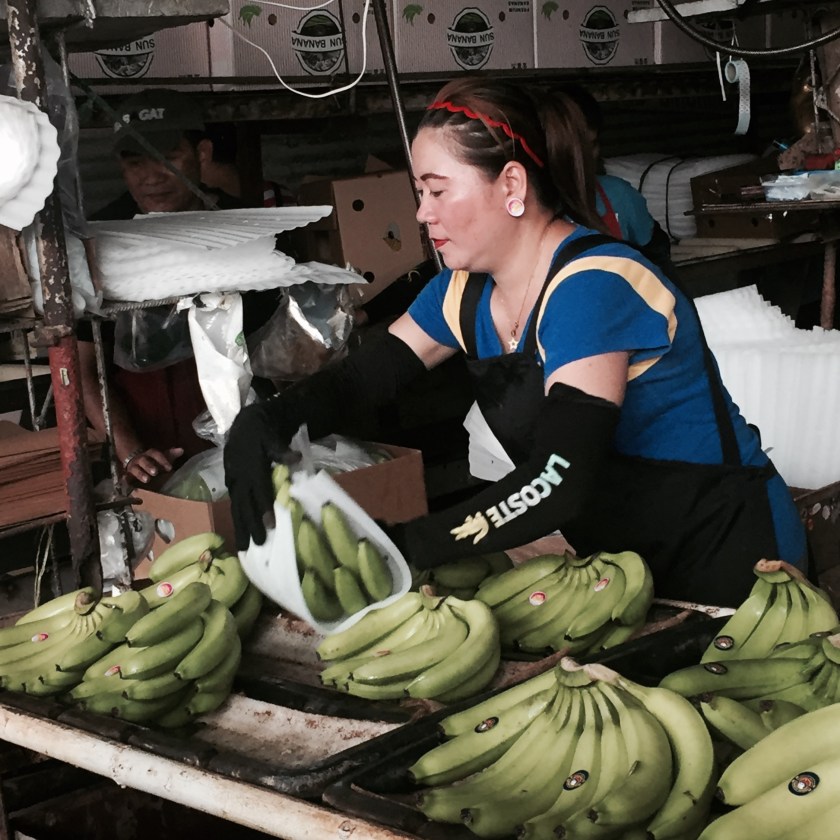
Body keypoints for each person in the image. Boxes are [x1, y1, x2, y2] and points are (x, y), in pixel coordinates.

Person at [223, 77, 807, 608]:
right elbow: (360, 381)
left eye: (437, 191)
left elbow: (559, 475)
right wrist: (268, 421)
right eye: (419, 192)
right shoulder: (462, 292)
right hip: (623, 562)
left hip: (728, 553)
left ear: (511, 183)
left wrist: (412, 542)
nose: (422, 214)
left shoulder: (593, 286)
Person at [80, 89, 274, 486]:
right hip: (151, 447)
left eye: (167, 157)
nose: (152, 176)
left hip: (250, 435)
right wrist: (129, 450)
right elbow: (80, 367)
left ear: (202, 154)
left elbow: (280, 349)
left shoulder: (246, 228)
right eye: (136, 162)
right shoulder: (100, 243)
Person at [558, 83, 673, 269]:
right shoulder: (537, 208)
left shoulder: (619, 195)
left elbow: (658, 261)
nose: (583, 159)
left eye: (592, 145)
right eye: (576, 149)